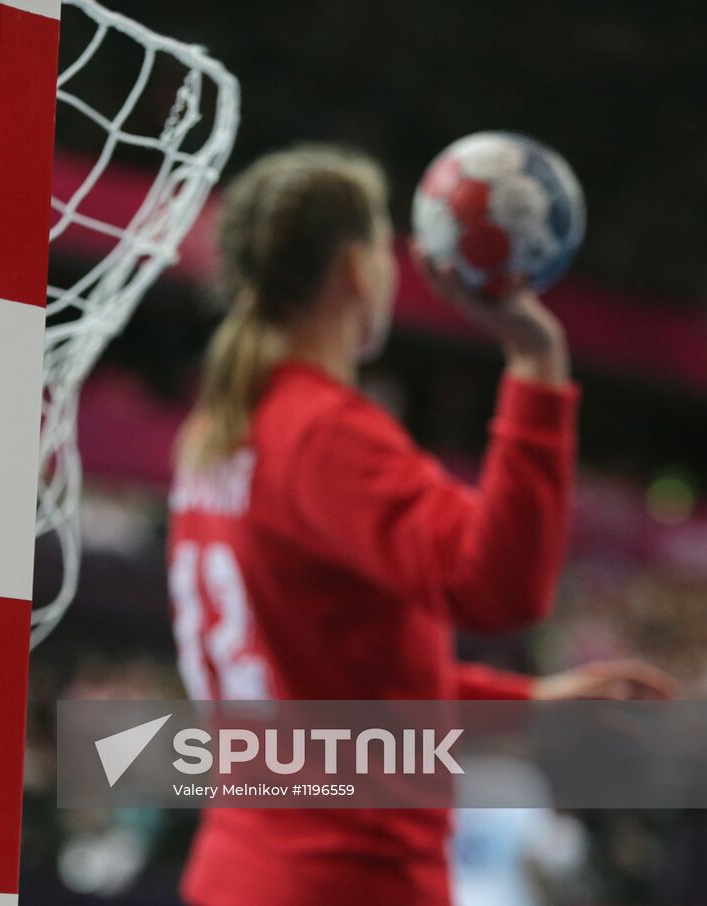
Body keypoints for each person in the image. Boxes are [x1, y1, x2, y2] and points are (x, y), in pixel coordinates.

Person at [167, 145, 675, 905]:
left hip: (245, 867)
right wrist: (537, 358)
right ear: (355, 269)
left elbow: (341, 696)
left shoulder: (221, 429)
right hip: (346, 878)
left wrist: (529, 707)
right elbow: (498, 590)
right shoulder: (323, 434)